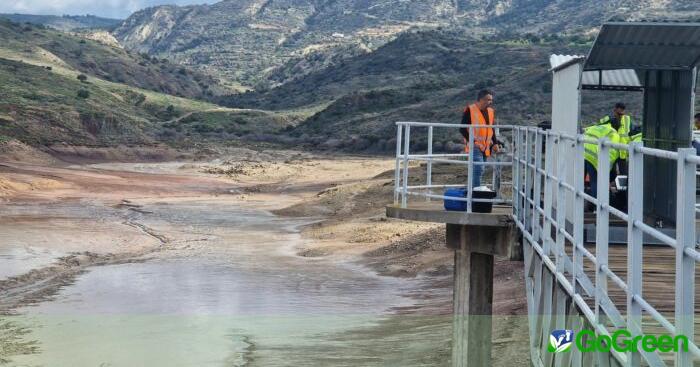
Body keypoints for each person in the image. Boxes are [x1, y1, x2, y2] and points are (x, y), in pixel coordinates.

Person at [459, 89, 501, 187]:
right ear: (481, 100)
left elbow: (491, 129)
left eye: (491, 100)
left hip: (486, 147)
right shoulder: (470, 110)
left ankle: (473, 193)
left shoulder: (490, 112)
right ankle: (476, 194)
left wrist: (495, 143)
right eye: (488, 100)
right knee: (478, 169)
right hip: (475, 146)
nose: (490, 102)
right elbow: (462, 129)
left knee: (479, 171)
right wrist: (472, 141)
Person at [583, 119, 622, 200]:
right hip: (593, 155)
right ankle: (597, 207)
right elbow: (612, 152)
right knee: (595, 182)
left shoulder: (599, 127)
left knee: (580, 180)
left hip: (582, 151)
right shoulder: (614, 133)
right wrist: (608, 168)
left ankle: (583, 201)